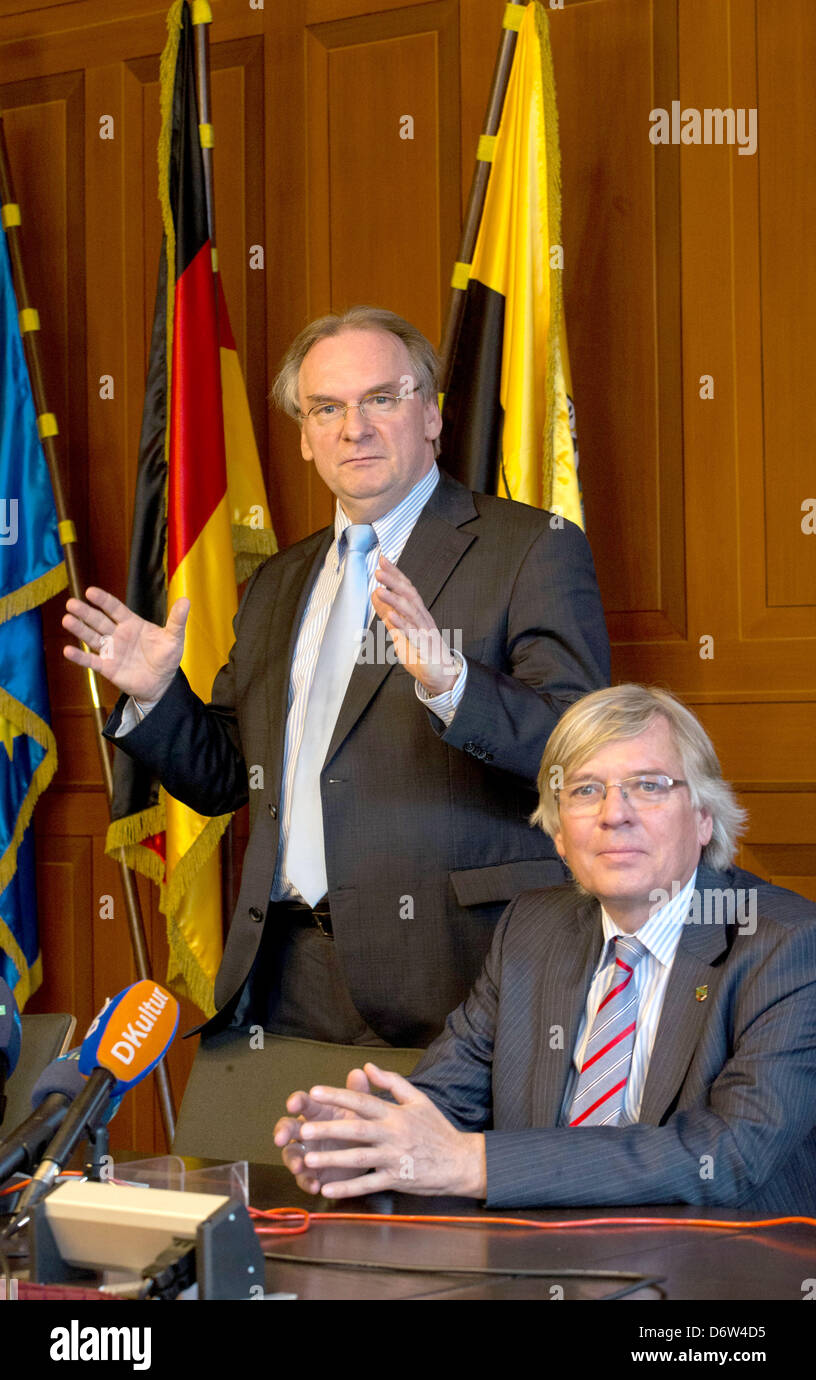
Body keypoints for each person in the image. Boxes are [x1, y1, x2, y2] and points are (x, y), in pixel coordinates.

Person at [62, 306, 609, 1047]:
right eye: (327, 407)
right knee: (263, 1169)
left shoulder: (529, 549)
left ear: (431, 416)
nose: (354, 428)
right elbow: (228, 777)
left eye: (381, 398)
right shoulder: (277, 584)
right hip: (282, 974)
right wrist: (158, 696)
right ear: (305, 436)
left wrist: (453, 684)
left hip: (457, 978)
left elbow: (581, 756)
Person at [275, 684, 816, 1212]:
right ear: (558, 835)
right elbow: (448, 1097)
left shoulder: (787, 945)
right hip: (535, 1260)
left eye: (648, 786)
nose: (614, 813)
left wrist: (475, 1162)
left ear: (704, 817)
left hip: (724, 1263)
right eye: (585, 790)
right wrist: (368, 1144)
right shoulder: (531, 928)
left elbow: (728, 1154)